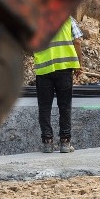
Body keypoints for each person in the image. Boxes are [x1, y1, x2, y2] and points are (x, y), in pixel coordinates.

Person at [34, 16, 83, 152]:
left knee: (44, 107)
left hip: (44, 69)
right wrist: (79, 64)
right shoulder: (67, 19)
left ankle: (47, 143)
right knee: (65, 106)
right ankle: (65, 143)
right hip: (64, 67)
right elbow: (77, 41)